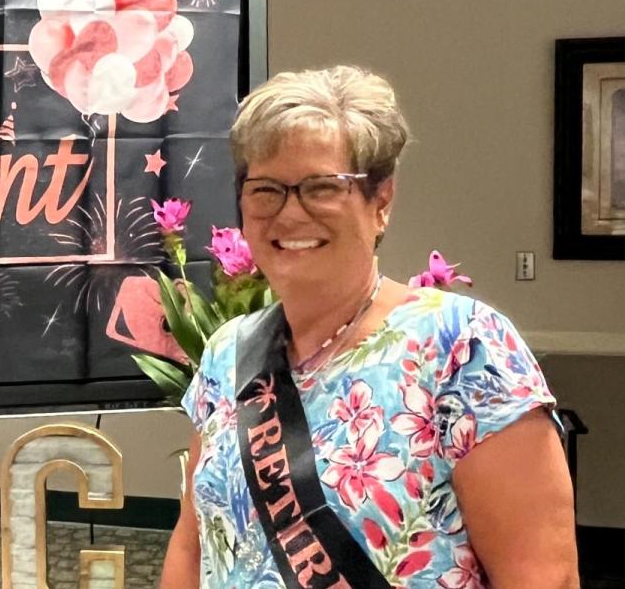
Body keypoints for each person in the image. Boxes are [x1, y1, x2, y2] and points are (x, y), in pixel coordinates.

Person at [161, 66, 577, 588]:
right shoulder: (229, 353)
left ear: (381, 201)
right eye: (266, 189)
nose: (289, 214)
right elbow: (192, 542)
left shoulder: (463, 348)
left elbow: (545, 576)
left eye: (321, 187)